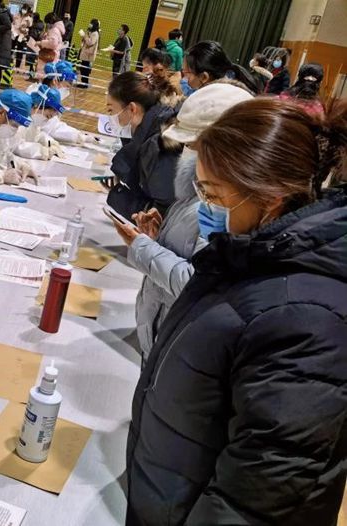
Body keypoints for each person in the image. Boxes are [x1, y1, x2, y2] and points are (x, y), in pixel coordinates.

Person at [126, 97, 347, 525]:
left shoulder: (307, 318)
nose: (205, 207)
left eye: (212, 194)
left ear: (271, 197)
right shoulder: (247, 258)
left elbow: (256, 499)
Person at [110, 82, 253, 362]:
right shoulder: (196, 188)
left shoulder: (229, 206)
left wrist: (142, 247)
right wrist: (158, 235)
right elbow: (190, 250)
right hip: (160, 330)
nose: (188, 151)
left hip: (177, 343)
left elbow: (197, 281)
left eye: (194, 146)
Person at [105, 71, 183, 219]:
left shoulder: (161, 146)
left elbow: (161, 215)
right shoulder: (152, 132)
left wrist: (119, 197)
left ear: (132, 109)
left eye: (111, 110)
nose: (110, 118)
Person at [183, 40, 260, 95]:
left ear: (204, 77)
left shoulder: (215, 102)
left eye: (186, 73)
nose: (183, 79)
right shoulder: (231, 90)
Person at [77, 18, 99, 88]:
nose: (90, 24)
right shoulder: (90, 32)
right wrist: (83, 36)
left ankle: (85, 84)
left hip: (89, 55)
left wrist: (85, 36)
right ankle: (83, 82)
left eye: (91, 23)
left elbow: (90, 42)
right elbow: (86, 41)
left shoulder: (95, 33)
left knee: (85, 70)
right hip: (85, 53)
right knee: (82, 69)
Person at [10, 3, 31, 69]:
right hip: (14, 34)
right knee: (11, 48)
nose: (24, 10)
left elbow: (29, 28)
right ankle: (8, 62)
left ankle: (17, 66)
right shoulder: (17, 14)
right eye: (23, 9)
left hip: (22, 36)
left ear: (27, 11)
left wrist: (25, 30)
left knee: (20, 50)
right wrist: (12, 29)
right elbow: (12, 23)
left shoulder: (29, 18)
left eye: (25, 9)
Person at [25, 11, 43, 79]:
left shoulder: (37, 24)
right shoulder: (35, 23)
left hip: (35, 42)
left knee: (33, 59)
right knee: (31, 59)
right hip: (32, 42)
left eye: (33, 16)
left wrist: (30, 27)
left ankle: (33, 74)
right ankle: (31, 74)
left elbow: (35, 33)